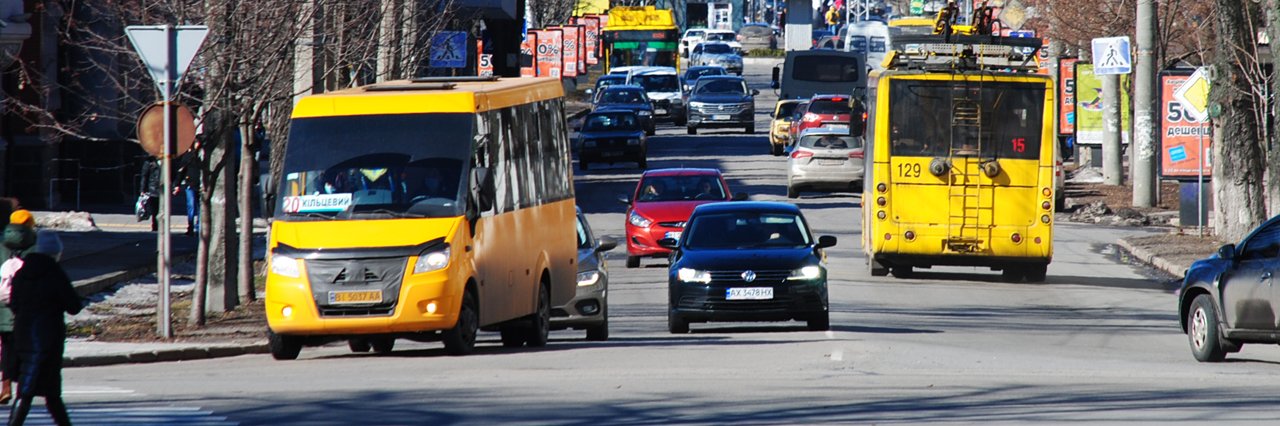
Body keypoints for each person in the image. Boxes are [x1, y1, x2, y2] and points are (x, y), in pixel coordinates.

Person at [6, 210, 81, 426]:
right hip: (47, 338)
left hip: (23, 335)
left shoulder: (23, 272)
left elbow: (14, 302)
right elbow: (73, 306)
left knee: (36, 391)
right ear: (55, 253)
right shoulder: (55, 274)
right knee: (40, 391)